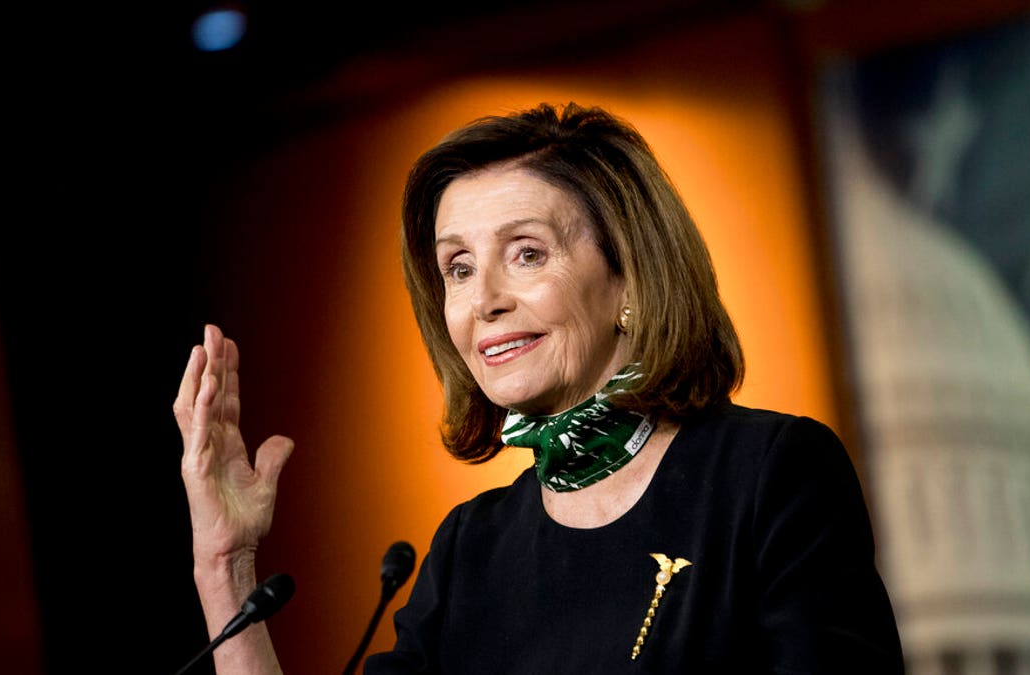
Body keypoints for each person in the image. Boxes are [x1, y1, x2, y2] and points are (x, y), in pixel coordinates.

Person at [174, 102, 905, 674]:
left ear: (630, 280)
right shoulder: (467, 552)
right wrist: (226, 563)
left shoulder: (770, 475)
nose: (483, 298)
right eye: (457, 267)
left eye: (526, 253)